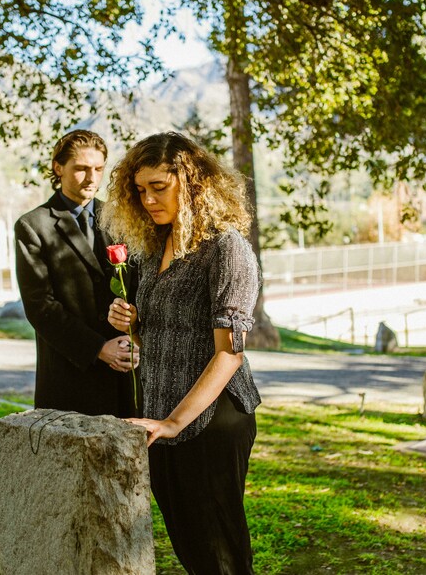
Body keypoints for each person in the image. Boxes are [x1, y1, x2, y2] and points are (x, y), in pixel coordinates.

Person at [102, 131, 261, 574]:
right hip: (160, 420)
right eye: (140, 190)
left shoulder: (227, 249)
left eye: (159, 187)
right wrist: (129, 323)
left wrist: (174, 422)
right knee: (193, 552)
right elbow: (158, 335)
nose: (149, 200)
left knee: (221, 555)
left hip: (212, 420)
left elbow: (229, 353)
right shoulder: (153, 249)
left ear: (192, 184)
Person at [14, 129, 138, 417]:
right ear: (58, 168)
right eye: (81, 168)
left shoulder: (122, 221)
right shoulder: (33, 226)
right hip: (68, 377)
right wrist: (98, 348)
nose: (92, 178)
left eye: (98, 169)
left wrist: (134, 335)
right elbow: (40, 306)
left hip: (124, 377)